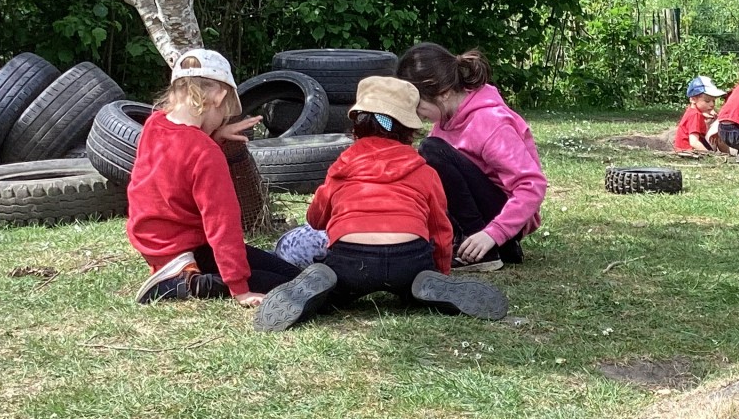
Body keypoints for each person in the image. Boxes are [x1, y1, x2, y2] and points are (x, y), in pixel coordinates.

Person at [254, 77, 509, 331]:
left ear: (356, 126)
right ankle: (421, 286)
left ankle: (325, 286)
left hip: (352, 261)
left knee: (335, 293)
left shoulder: (343, 166)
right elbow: (441, 229)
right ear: (409, 130)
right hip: (409, 259)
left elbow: (316, 219)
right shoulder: (423, 170)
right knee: (412, 289)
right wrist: (439, 270)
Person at [127, 49, 303, 305]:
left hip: (154, 243)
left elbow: (178, 165)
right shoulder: (205, 153)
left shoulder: (155, 124)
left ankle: (175, 272)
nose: (223, 120)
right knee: (294, 282)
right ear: (219, 97)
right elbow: (223, 225)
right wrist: (240, 289)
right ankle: (180, 284)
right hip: (188, 249)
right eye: (224, 113)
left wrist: (214, 136)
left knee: (286, 273)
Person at [395, 43, 546, 272]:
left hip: (501, 220)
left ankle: (483, 250)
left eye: (417, 105)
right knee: (426, 160)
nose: (415, 113)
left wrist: (493, 233)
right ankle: (467, 243)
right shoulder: (444, 122)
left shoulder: (490, 121)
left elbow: (532, 185)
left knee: (432, 150)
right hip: (482, 217)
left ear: (443, 93)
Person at [675, 76, 726, 153]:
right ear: (693, 99)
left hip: (685, 150)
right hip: (689, 151)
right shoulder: (695, 115)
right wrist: (710, 155)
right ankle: (728, 156)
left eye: (713, 101)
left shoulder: (693, 111)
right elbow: (693, 142)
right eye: (707, 101)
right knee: (720, 134)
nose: (712, 104)